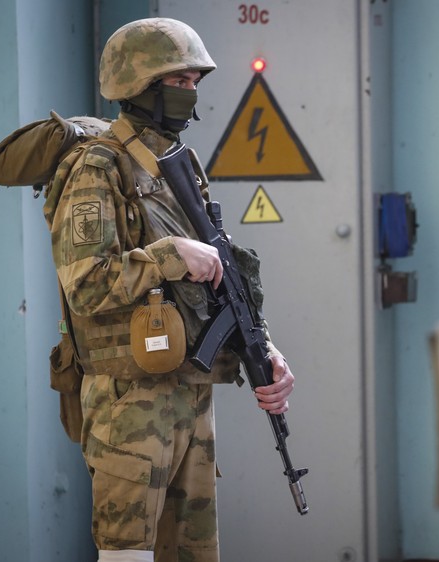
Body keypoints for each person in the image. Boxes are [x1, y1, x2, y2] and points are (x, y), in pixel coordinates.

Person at [42, 18, 295, 562]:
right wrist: (169, 256)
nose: (192, 91)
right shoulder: (96, 167)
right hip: (129, 402)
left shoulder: (180, 164)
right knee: (128, 553)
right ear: (140, 86)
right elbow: (85, 286)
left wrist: (262, 348)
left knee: (194, 552)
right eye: (178, 80)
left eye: (194, 80)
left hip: (188, 395)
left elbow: (218, 276)